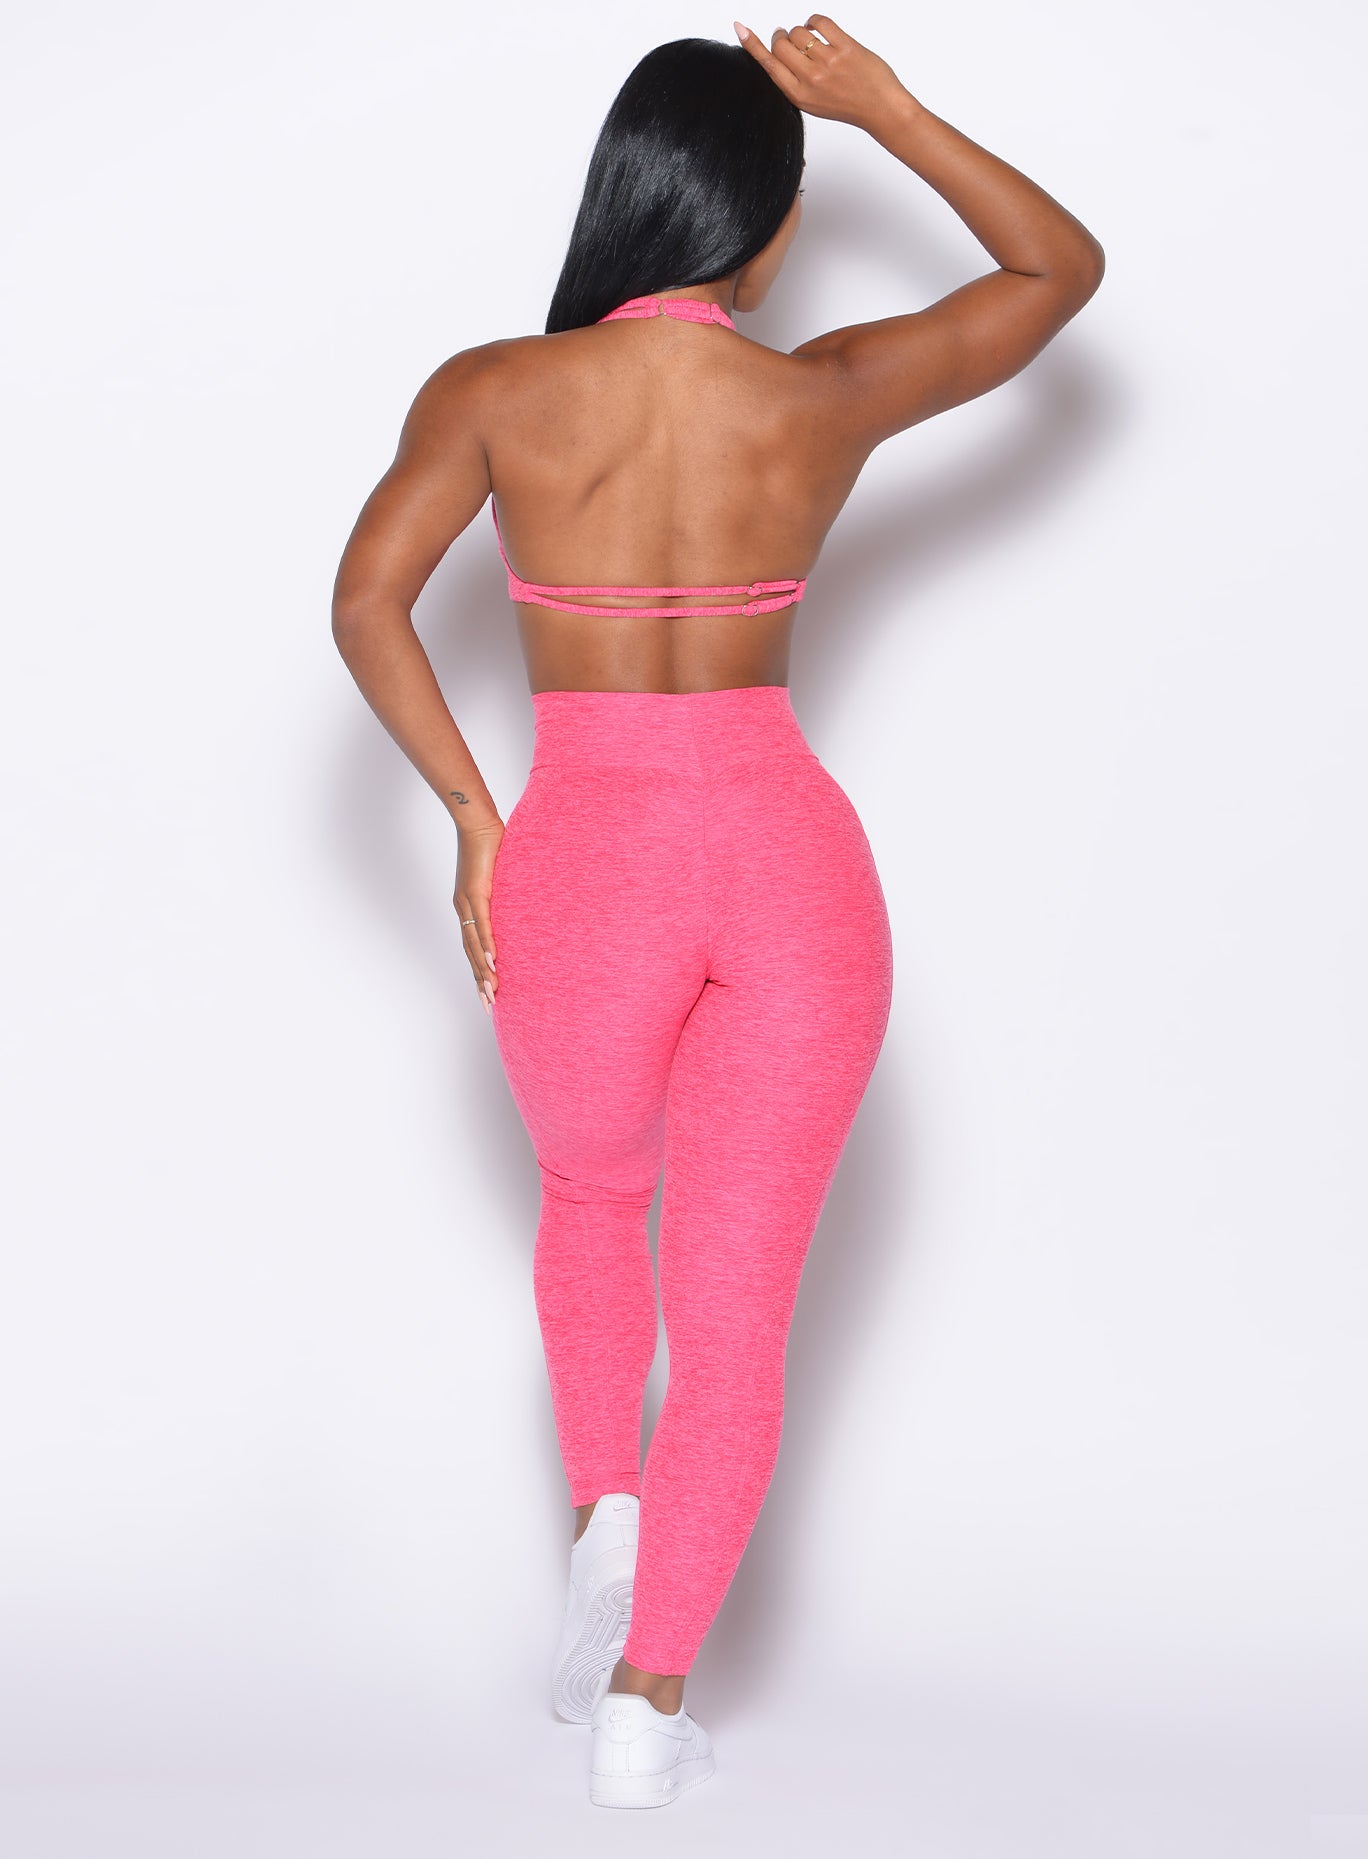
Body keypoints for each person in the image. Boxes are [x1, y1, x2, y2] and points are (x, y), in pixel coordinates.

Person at [331, 14, 1103, 1810]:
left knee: (594, 1198)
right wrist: (887, 107)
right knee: (740, 1315)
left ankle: (609, 1524)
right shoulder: (822, 395)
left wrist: (473, 817)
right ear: (764, 219)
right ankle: (647, 1705)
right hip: (786, 860)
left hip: (584, 855)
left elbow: (367, 602)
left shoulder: (495, 390)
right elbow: (1058, 272)